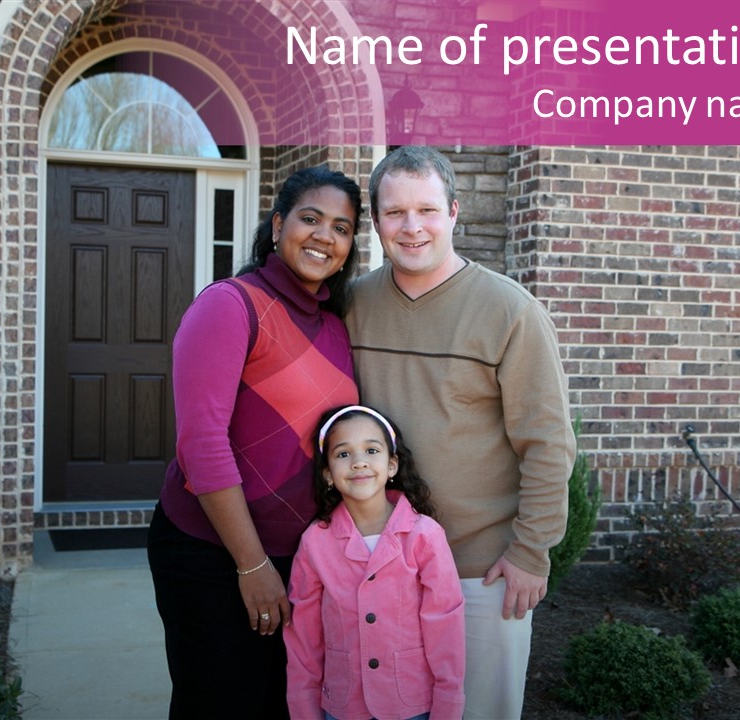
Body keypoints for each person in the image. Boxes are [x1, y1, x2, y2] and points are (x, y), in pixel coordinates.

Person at [345, 146, 576, 719]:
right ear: (376, 222)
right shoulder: (353, 303)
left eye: (426, 209)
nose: (412, 226)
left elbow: (547, 442)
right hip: (378, 562)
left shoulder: (509, 311)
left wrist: (531, 552)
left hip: (481, 569)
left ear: (453, 212)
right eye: (395, 212)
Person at [147, 166, 363, 719]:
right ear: (276, 226)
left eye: (341, 227)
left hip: (298, 559)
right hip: (212, 555)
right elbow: (202, 445)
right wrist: (251, 564)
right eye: (310, 219)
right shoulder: (230, 304)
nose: (324, 236)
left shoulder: (336, 326)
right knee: (219, 705)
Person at [284, 404, 465, 720]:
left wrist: (447, 709)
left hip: (412, 706)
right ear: (327, 474)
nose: (359, 463)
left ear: (392, 465)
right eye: (343, 454)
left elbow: (445, 627)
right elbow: (304, 639)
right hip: (342, 706)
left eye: (371, 449)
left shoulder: (425, 536)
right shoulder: (315, 542)